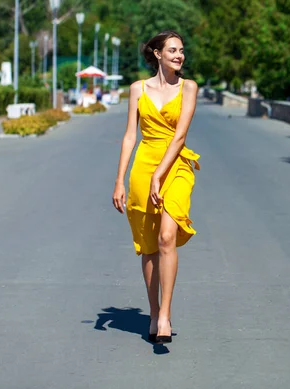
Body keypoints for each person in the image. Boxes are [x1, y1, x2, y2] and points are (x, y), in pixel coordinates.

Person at [112, 30, 200, 344]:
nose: (180, 55)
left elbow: (179, 137)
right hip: (143, 164)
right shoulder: (137, 89)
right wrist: (120, 180)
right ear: (158, 54)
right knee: (149, 245)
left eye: (182, 51)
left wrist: (158, 175)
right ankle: (152, 313)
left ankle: (165, 314)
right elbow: (129, 137)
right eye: (173, 50)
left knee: (167, 236)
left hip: (175, 165)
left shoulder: (189, 88)